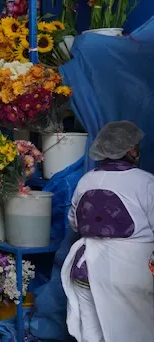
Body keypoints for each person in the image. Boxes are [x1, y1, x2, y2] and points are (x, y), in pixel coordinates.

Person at [62, 121, 154, 342]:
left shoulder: (86, 180)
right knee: (136, 334)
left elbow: (74, 223)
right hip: (130, 273)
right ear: (132, 150)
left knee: (91, 336)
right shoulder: (146, 182)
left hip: (86, 270)